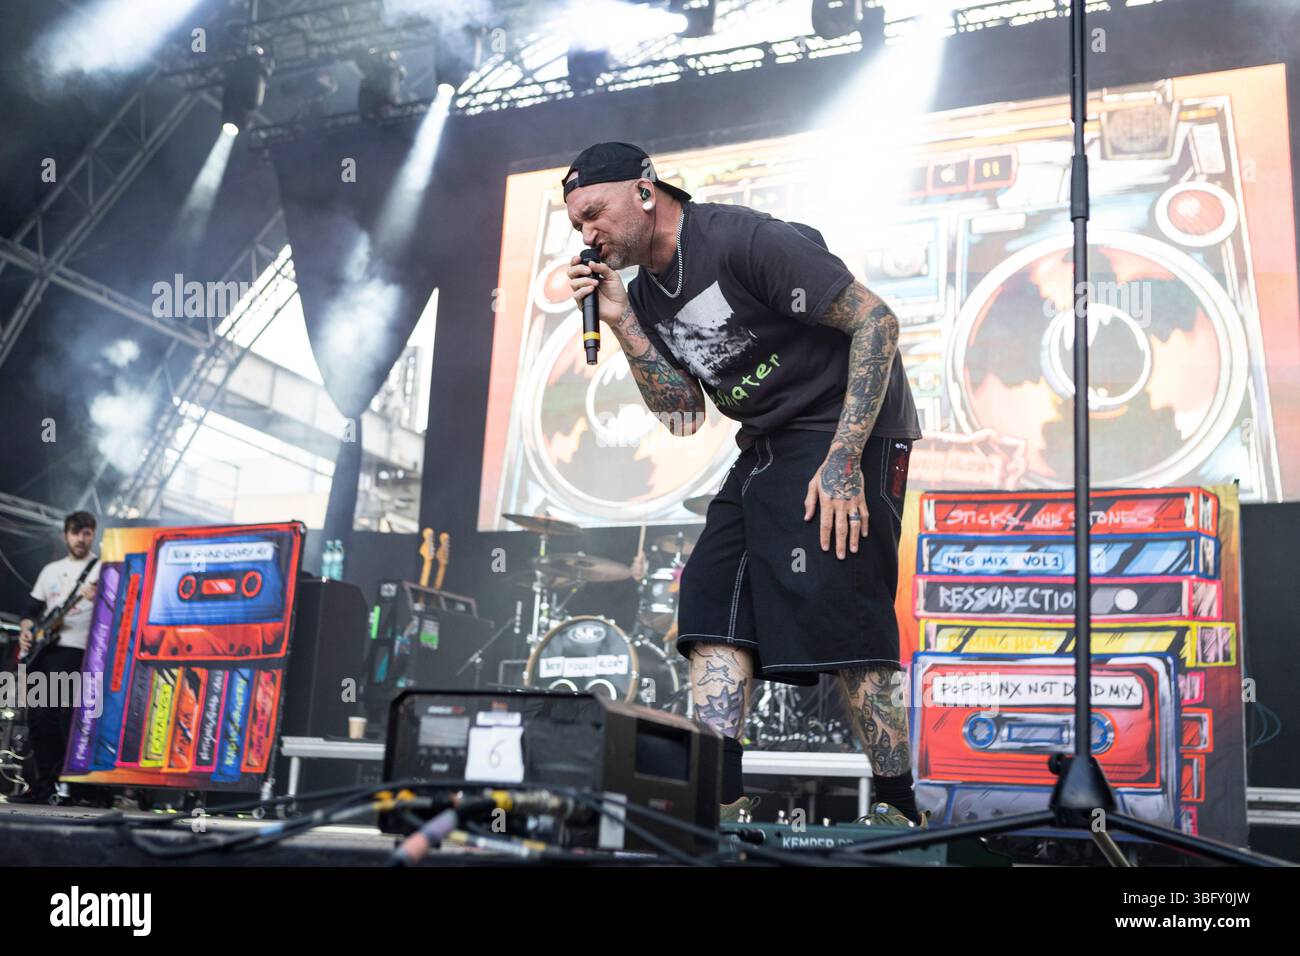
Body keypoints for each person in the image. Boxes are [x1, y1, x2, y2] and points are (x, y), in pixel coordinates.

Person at [565, 142, 926, 826]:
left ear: (644, 191)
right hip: (768, 438)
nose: (588, 236)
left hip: (849, 420)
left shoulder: (742, 239)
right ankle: (719, 798)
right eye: (578, 226)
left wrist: (845, 460)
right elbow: (681, 412)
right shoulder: (643, 293)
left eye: (594, 213)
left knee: (843, 602)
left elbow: (876, 322)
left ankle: (899, 807)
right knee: (709, 597)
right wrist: (620, 322)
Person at [11, 511, 102, 805]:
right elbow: (29, 612)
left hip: (76, 650)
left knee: (64, 717)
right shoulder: (51, 570)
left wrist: (101, 596)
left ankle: (73, 788)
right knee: (38, 717)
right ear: (66, 535)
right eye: (76, 532)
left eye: (87, 532)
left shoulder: (102, 569)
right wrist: (27, 632)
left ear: (93, 535)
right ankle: (43, 785)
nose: (81, 538)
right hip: (43, 651)